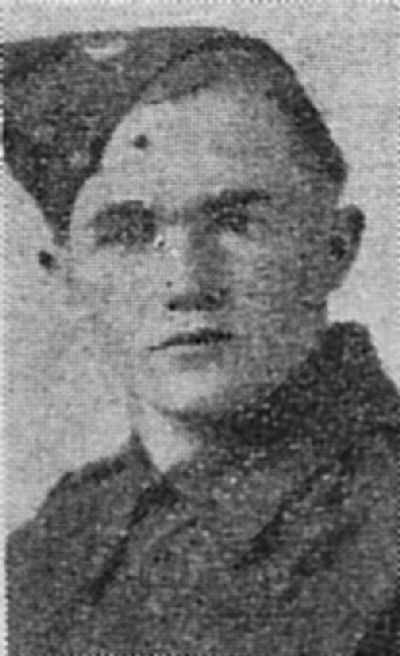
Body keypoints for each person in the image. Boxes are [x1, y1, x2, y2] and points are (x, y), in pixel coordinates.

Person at [5, 27, 398, 655]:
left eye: (237, 222)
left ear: (334, 249)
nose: (187, 284)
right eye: (127, 232)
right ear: (68, 278)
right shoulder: (53, 545)